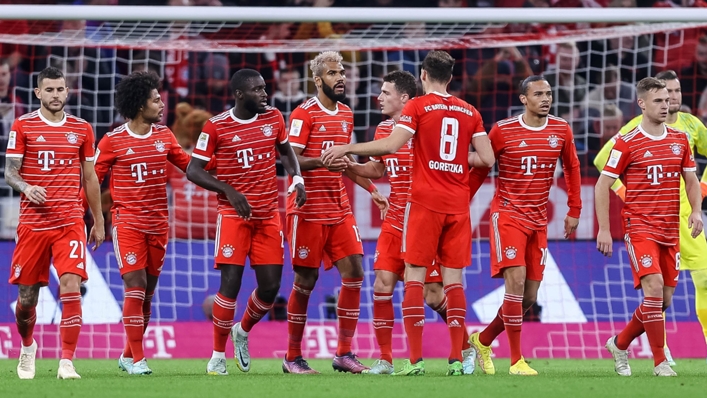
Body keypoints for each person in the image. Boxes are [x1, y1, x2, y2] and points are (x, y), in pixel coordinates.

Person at [322, 50, 495, 376]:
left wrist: (347, 148)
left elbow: (407, 150)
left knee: (431, 293)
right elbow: (377, 166)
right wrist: (355, 167)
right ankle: (387, 359)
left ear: (406, 95)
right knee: (382, 285)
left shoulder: (419, 119)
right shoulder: (385, 130)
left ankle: (461, 348)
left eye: (386, 92)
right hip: (397, 217)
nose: (379, 97)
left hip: (421, 211)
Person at [186, 68, 306, 376]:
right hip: (232, 216)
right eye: (257, 90)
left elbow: (286, 151)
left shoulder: (274, 118)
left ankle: (242, 331)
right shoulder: (215, 127)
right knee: (231, 284)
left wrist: (297, 179)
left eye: (265, 88)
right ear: (239, 95)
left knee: (270, 288)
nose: (265, 94)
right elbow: (194, 170)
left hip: (268, 216)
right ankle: (216, 356)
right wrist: (228, 190)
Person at [90, 71, 210, 375]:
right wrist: (93, 219)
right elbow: (92, 180)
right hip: (127, 223)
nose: (162, 103)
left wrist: (223, 176)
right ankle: (140, 360)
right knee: (136, 286)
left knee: (148, 295)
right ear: (140, 105)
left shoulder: (165, 136)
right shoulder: (112, 141)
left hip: (158, 225)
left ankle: (128, 354)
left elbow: (189, 168)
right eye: (156, 99)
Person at [465, 75, 582, 376]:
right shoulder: (503, 131)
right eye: (539, 94)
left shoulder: (561, 129)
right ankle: (516, 360)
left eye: (549, 94)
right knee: (515, 284)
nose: (546, 99)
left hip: (539, 220)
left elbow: (572, 167)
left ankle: (483, 339)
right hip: (507, 215)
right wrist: (459, 202)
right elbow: (480, 167)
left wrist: (574, 208)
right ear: (523, 99)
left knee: (529, 297)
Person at [282, 51, 388, 375]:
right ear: (317, 80)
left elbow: (345, 165)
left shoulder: (346, 114)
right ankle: (292, 357)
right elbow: (290, 160)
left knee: (355, 272)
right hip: (307, 208)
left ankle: (344, 353)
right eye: (332, 73)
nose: (340, 77)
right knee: (306, 280)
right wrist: (323, 160)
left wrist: (372, 191)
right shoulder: (304, 114)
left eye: (341, 72)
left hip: (338, 207)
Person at [594, 70, 707, 365]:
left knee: (663, 300)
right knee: (654, 288)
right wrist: (605, 229)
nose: (667, 104)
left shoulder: (682, 138)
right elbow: (602, 182)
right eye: (659, 99)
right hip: (640, 226)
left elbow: (691, 179)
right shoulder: (627, 141)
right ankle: (660, 360)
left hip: (673, 226)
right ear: (642, 104)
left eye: (669, 98)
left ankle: (619, 343)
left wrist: (696, 210)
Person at [4, 66, 104, 379]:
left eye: (60, 89)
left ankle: (66, 362)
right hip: (33, 224)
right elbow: (9, 172)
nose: (56, 95)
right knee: (27, 300)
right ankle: (27, 346)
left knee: (71, 284)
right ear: (38, 93)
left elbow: (90, 178)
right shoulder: (23, 125)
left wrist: (98, 221)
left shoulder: (82, 128)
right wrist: (26, 187)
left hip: (70, 221)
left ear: (67, 91)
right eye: (49, 90)